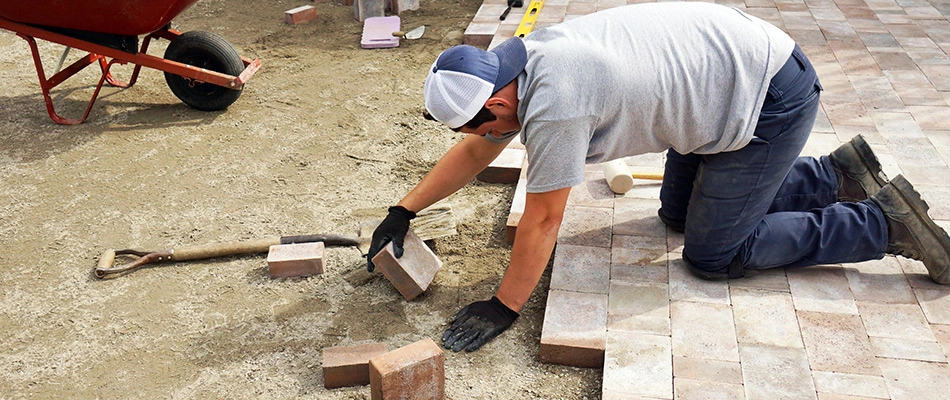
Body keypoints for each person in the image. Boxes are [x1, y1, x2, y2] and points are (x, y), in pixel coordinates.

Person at [366, 2, 950, 353]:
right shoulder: (518, 61)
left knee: (715, 253)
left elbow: (544, 217)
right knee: (677, 214)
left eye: (477, 125)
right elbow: (477, 151)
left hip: (768, 92)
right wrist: (404, 211)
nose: (482, 136)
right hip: (721, 85)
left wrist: (504, 305)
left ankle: (878, 222)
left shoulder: (557, 105)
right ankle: (834, 175)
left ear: (494, 101)